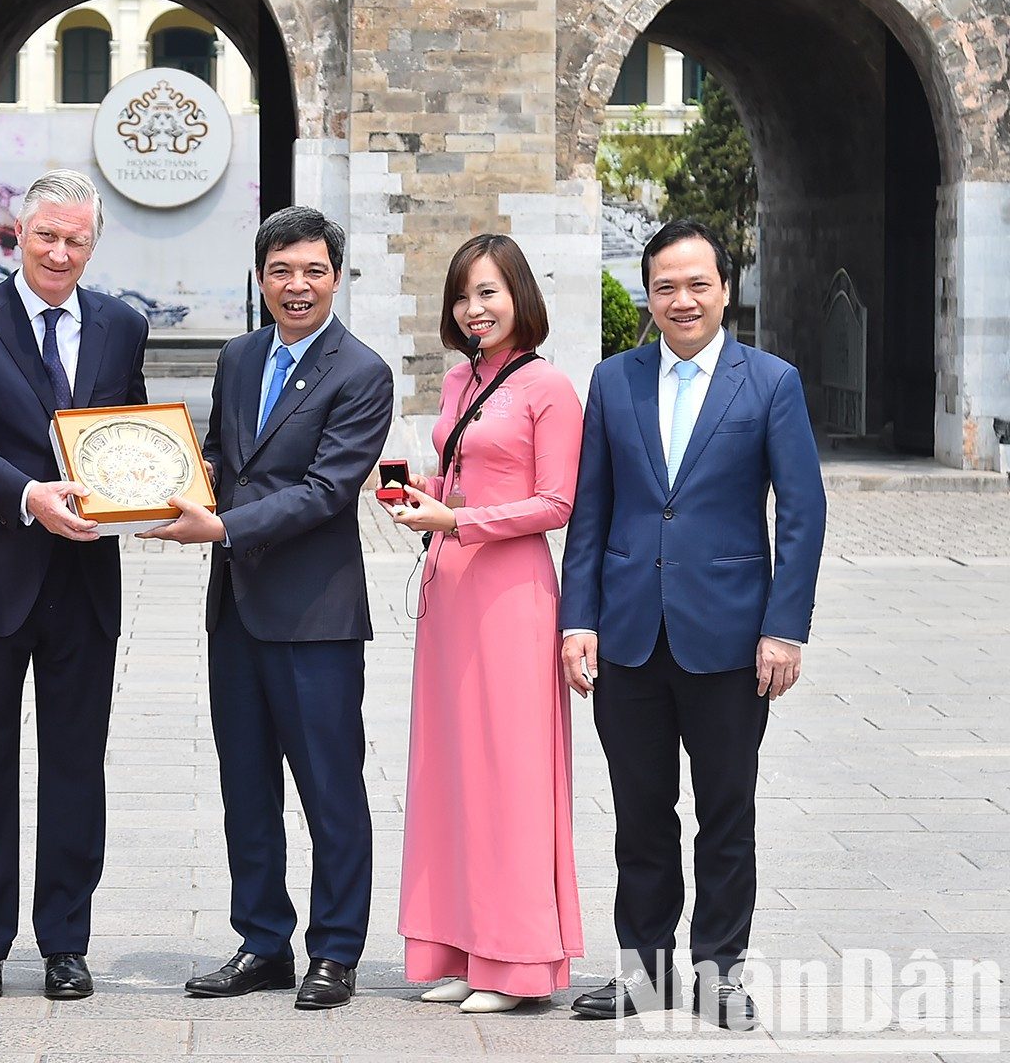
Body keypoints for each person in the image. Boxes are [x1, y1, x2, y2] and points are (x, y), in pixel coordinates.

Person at [560, 220, 826, 1030]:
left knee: (726, 811)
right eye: (666, 286)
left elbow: (803, 514)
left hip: (730, 639)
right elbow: (592, 513)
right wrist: (579, 621)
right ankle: (643, 969)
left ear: (725, 289)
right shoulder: (614, 381)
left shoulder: (771, 383)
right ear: (648, 295)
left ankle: (720, 971)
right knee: (640, 813)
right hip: (630, 634)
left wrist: (784, 629)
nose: (682, 300)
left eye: (697, 284)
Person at [144, 206, 392, 1011]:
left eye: (313, 271)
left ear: (336, 277)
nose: (297, 286)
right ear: (261, 278)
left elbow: (326, 492)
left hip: (315, 616)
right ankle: (261, 942)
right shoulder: (241, 355)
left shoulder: (362, 373)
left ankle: (337, 951)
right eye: (282, 271)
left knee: (329, 789)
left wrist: (220, 525)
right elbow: (220, 452)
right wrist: (170, 485)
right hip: (237, 613)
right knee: (245, 786)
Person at [0, 169, 149, 1002]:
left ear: (94, 244)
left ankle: (65, 940)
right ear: (17, 235)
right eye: (46, 236)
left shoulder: (124, 325)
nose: (60, 252)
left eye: (76, 240)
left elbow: (129, 431)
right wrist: (28, 497)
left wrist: (153, 496)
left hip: (86, 578)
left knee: (75, 768)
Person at [382, 234, 585, 1012]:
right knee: (453, 771)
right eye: (464, 295)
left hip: (511, 594)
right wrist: (417, 491)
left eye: (490, 292)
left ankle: (518, 962)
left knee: (509, 774)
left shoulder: (549, 388)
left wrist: (458, 521)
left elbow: (555, 503)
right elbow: (465, 480)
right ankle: (464, 951)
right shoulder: (462, 379)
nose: (475, 308)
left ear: (520, 297)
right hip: (452, 591)